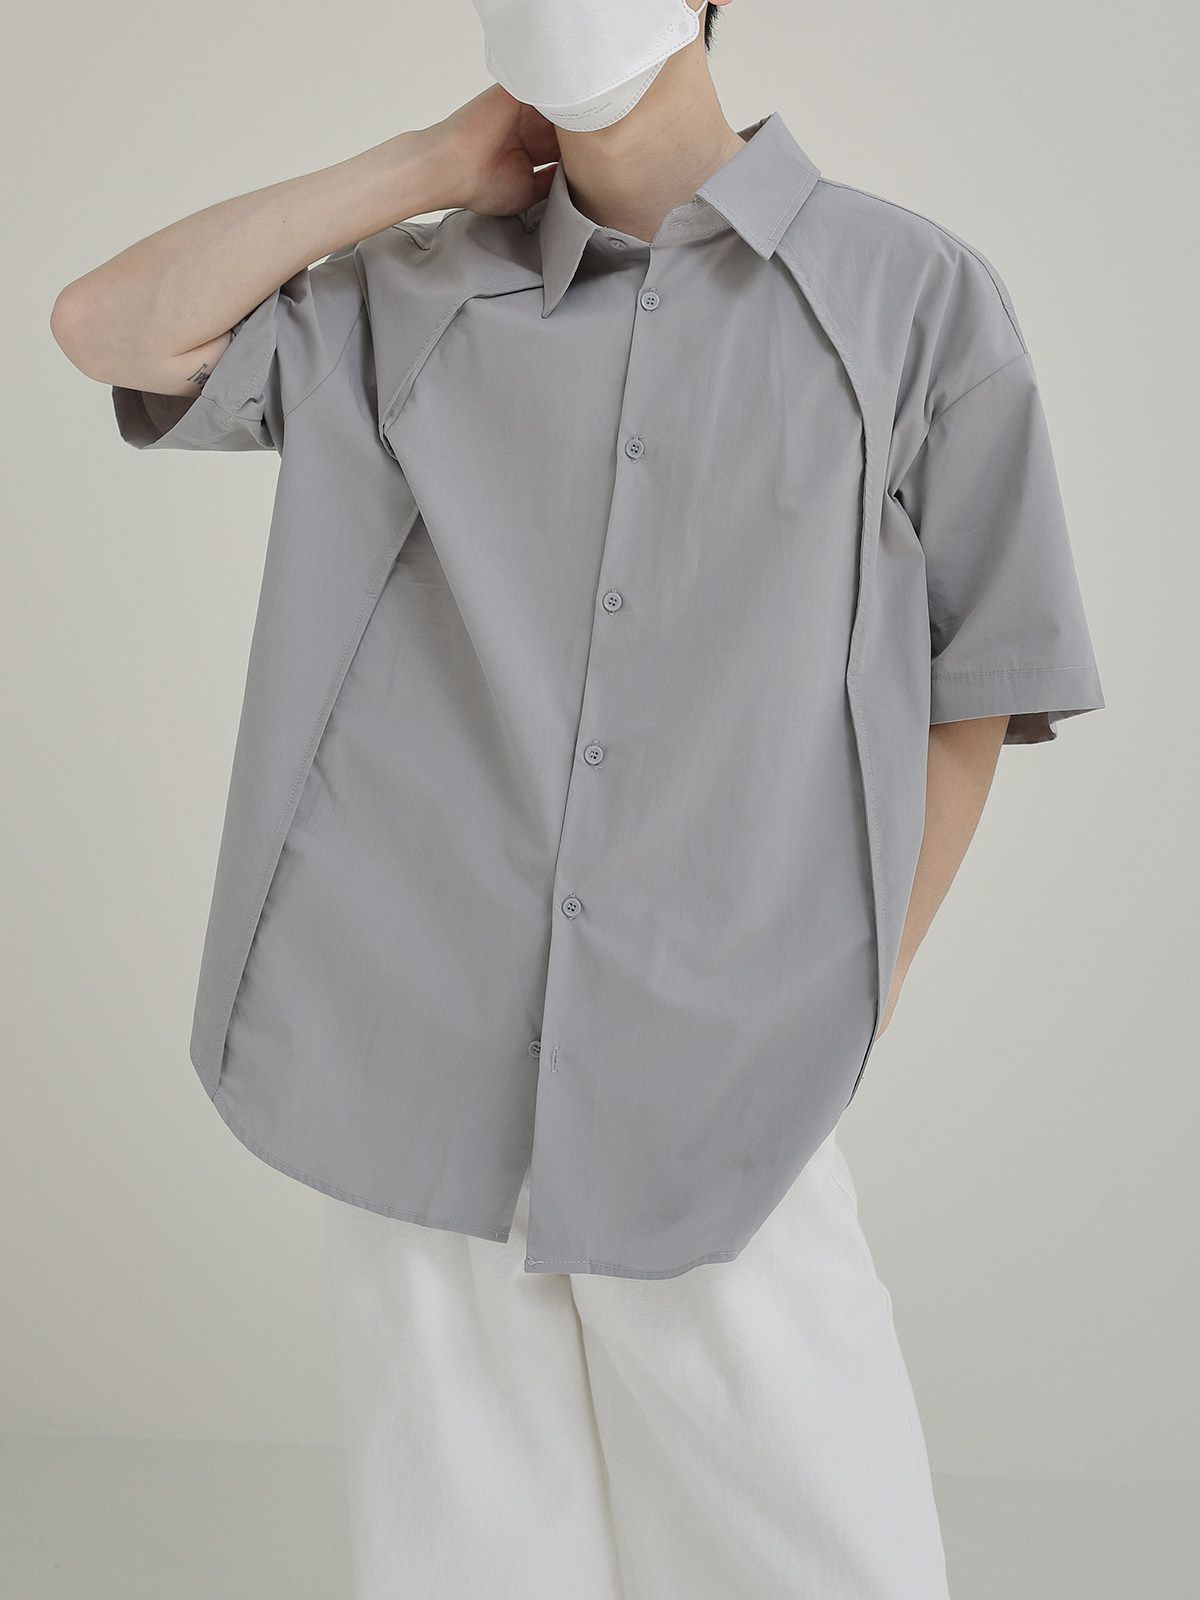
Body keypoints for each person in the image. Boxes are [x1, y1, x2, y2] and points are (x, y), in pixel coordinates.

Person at [50, 2, 1105, 1595]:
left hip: (726, 1056)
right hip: (417, 1038)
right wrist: (424, 164)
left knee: (822, 1543)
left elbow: (984, 675)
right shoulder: (412, 291)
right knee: (467, 1555)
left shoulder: (911, 296)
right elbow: (109, 327)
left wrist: (854, 996)